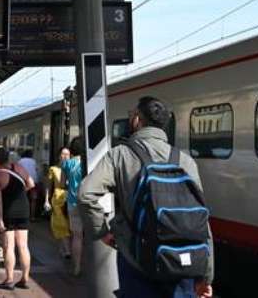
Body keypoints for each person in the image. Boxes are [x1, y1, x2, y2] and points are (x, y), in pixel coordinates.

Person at [79, 97, 214, 298]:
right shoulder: (185, 160)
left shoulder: (120, 155)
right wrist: (206, 275)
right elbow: (201, 220)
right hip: (183, 264)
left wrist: (102, 231)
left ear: (137, 120)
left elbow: (85, 193)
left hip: (136, 260)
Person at [0, 146, 35, 290]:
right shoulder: (17, 167)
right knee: (23, 246)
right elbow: (31, 184)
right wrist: (19, 192)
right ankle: (25, 278)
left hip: (8, 211)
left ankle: (9, 279)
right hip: (23, 209)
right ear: (8, 158)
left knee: (8, 246)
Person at [60, 136, 85, 277]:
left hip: (72, 202)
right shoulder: (88, 162)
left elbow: (63, 184)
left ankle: (76, 267)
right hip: (87, 201)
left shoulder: (67, 164)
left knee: (77, 236)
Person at [44, 147, 72, 258]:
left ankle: (64, 248)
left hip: (70, 197)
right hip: (57, 199)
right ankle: (67, 250)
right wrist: (46, 200)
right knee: (61, 225)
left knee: (68, 225)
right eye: (63, 154)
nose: (65, 156)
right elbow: (48, 186)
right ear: (59, 156)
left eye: (67, 154)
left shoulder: (73, 168)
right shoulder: (53, 169)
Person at [18, 149, 40, 220]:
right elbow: (37, 170)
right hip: (34, 181)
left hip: (24, 181)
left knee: (23, 199)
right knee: (33, 200)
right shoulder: (34, 161)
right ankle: (32, 216)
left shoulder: (20, 161)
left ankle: (23, 216)